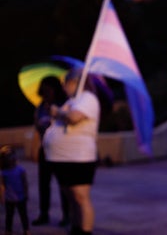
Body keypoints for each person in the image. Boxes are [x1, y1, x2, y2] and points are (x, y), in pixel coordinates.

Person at [43, 68, 101, 235]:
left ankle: (85, 231)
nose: (63, 87)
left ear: (74, 82)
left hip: (78, 158)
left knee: (80, 197)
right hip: (62, 158)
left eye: (65, 83)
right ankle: (76, 228)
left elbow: (74, 118)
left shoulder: (88, 98)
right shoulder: (73, 100)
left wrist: (57, 112)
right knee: (71, 197)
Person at [31, 76, 70, 227]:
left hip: (60, 151)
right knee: (43, 184)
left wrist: (55, 113)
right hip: (45, 150)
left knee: (63, 185)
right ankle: (44, 213)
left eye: (48, 89)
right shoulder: (40, 106)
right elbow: (37, 126)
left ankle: (67, 215)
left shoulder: (63, 105)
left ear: (56, 89)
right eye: (44, 89)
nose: (46, 92)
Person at [0, 145, 31, 235]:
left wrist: (26, 193)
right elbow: (2, 185)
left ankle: (26, 230)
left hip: (21, 197)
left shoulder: (20, 170)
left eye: (10, 156)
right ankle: (8, 230)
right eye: (6, 157)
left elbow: (25, 183)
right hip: (9, 198)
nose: (9, 159)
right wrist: (2, 197)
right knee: (9, 215)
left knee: (23, 215)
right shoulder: (3, 172)